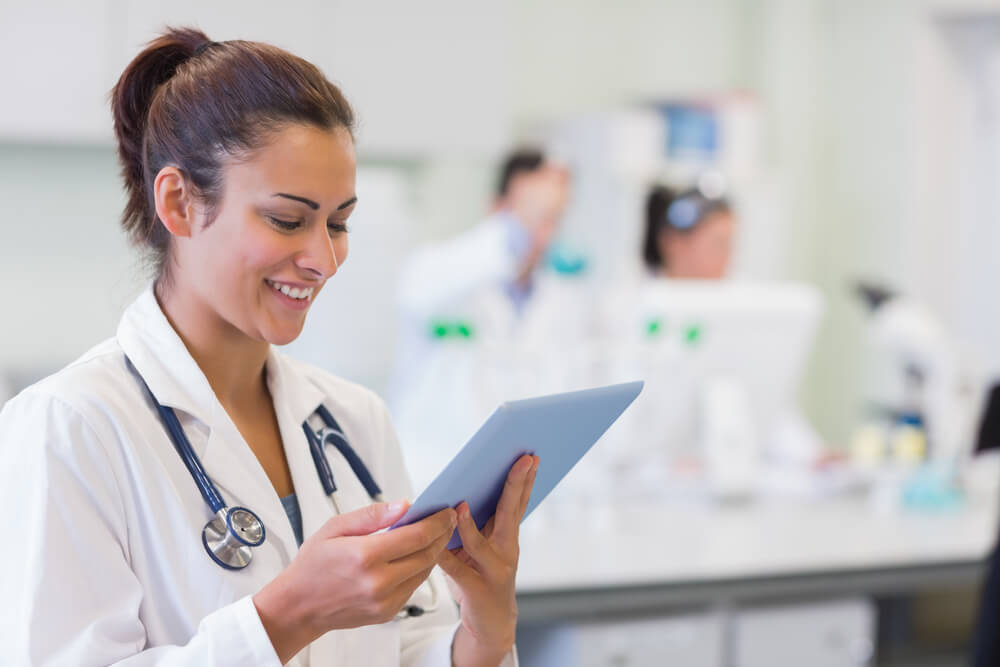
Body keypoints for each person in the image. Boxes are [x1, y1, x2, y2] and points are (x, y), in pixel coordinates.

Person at [0, 28, 537, 667]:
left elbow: (408, 646)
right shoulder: (70, 428)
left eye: (338, 224)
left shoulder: (354, 422)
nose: (323, 259)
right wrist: (287, 617)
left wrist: (486, 626)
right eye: (288, 220)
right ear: (178, 202)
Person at [389, 149, 583, 489]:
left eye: (552, 217)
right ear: (498, 208)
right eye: (532, 212)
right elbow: (413, 295)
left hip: (519, 492)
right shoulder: (438, 272)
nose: (541, 230)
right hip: (428, 477)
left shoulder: (565, 302)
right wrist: (517, 228)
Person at [641, 182, 735, 280]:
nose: (727, 257)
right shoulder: (637, 293)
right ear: (674, 242)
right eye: (718, 244)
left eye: (728, 245)